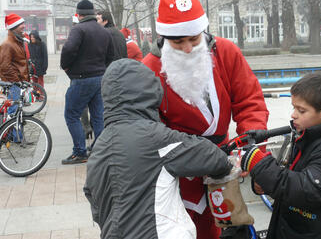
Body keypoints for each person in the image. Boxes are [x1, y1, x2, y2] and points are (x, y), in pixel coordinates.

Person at [142, 0, 269, 239]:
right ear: (164, 38)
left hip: (224, 160)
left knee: (225, 224)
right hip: (179, 167)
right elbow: (148, 126)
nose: (188, 48)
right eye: (178, 42)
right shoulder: (149, 69)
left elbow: (250, 102)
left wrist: (251, 149)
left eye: (194, 39)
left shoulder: (226, 52)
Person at [84, 59, 233, 239]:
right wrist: (226, 167)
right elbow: (212, 157)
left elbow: (93, 199)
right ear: (149, 92)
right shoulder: (156, 138)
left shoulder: (99, 146)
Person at [240, 73, 321, 239]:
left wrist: (258, 163)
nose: (293, 114)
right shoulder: (310, 135)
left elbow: (302, 191)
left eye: (301, 110)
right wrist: (265, 183)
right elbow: (296, 181)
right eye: (293, 107)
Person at [60, 0, 114, 165]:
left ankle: (80, 152)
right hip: (100, 78)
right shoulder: (104, 31)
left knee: (71, 115)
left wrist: (66, 66)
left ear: (79, 14)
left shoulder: (79, 29)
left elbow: (68, 49)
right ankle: (102, 152)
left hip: (82, 79)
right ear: (92, 13)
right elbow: (110, 56)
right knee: (98, 117)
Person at [0, 13, 29, 116]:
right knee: (13, 113)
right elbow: (4, 67)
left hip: (17, 84)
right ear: (13, 27)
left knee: (17, 113)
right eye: (21, 24)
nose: (23, 26)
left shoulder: (17, 42)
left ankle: (16, 132)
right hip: (14, 84)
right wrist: (17, 81)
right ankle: (13, 132)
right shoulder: (8, 44)